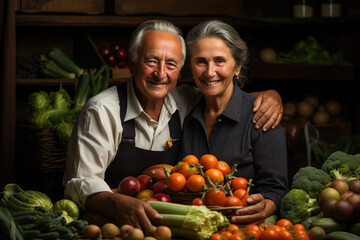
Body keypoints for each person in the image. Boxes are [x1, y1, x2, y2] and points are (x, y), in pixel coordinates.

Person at [63, 19, 283, 234]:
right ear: (132, 62)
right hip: (117, 224)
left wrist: (270, 97)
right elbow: (82, 183)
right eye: (151, 61)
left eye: (171, 64)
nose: (160, 74)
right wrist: (118, 204)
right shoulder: (103, 111)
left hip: (215, 229)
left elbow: (228, 98)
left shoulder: (188, 102)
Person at [178, 20, 288, 225]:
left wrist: (265, 206)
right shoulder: (183, 110)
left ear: (237, 67)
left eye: (220, 61)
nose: (210, 72)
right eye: (201, 61)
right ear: (191, 66)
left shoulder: (262, 114)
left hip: (241, 229)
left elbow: (276, 189)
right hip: (191, 228)